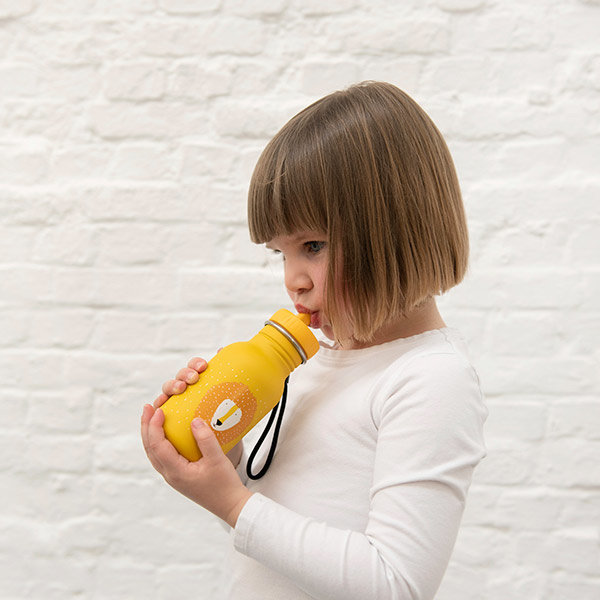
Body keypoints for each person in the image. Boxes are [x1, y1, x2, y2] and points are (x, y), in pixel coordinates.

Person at [141, 81, 487, 600]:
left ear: (393, 231)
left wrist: (232, 503)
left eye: (313, 246)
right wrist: (223, 462)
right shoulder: (312, 364)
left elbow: (395, 583)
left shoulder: (430, 379)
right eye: (281, 254)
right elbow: (284, 535)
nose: (293, 280)